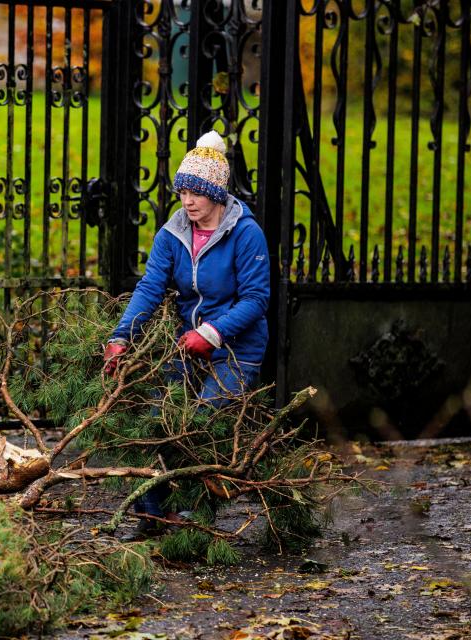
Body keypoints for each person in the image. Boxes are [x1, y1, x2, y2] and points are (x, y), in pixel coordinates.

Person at [101, 130, 270, 529]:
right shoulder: (173, 233)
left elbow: (256, 300)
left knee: (199, 426)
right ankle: (155, 517)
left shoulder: (245, 233)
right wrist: (120, 337)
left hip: (235, 349)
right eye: (182, 192)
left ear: (217, 193)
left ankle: (196, 517)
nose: (188, 201)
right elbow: (149, 288)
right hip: (185, 346)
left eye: (197, 193)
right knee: (161, 421)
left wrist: (210, 332)